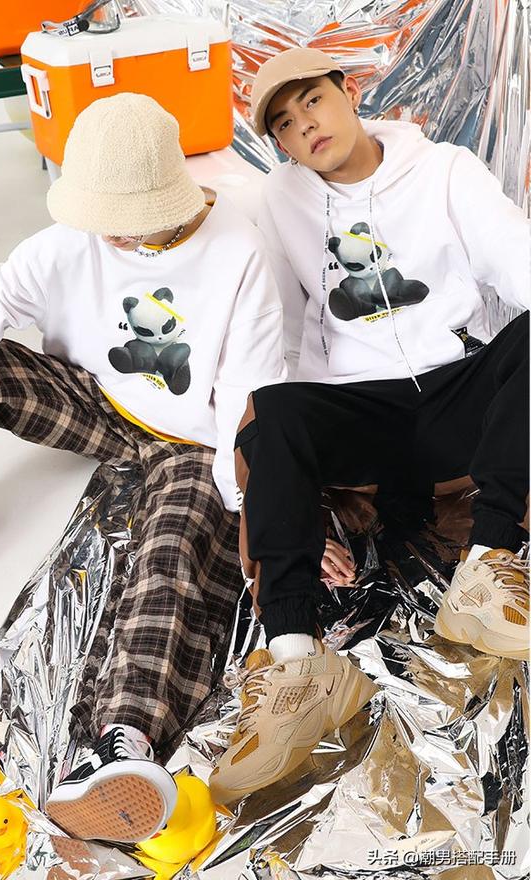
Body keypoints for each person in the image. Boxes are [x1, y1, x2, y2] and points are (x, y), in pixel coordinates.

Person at [0, 93, 290, 842]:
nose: (108, 231)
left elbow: (249, 399)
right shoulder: (69, 242)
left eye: (124, 217)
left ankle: (122, 744)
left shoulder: (238, 251)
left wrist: (252, 508)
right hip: (98, 403)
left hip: (191, 443)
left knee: (169, 555)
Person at [209, 47, 529, 807]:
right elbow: (271, 339)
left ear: (348, 91)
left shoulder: (446, 171)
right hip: (365, 414)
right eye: (283, 124)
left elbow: (521, 268)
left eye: (312, 101)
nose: (305, 126)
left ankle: (489, 565)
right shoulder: (274, 203)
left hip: (458, 393)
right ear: (277, 144)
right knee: (273, 409)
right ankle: (298, 664)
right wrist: (265, 492)